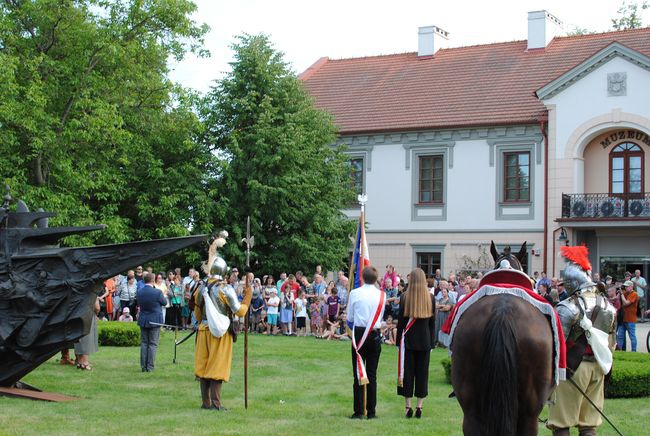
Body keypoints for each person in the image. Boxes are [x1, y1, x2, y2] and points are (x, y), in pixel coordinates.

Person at [547, 246, 616, 436]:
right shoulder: (608, 305)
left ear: (571, 283)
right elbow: (612, 344)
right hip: (598, 368)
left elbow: (556, 344)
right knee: (588, 425)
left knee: (561, 423)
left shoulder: (567, 307)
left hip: (572, 369)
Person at [396, 268, 435, 419]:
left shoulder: (405, 297)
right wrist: (431, 342)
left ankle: (408, 406)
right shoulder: (430, 298)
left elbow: (401, 322)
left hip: (408, 341)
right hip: (425, 341)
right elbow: (432, 324)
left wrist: (398, 342)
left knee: (408, 374)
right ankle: (419, 407)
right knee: (422, 374)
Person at [346, 266, 385, 419]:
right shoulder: (382, 295)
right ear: (376, 279)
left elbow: (349, 318)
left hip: (360, 333)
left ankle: (358, 411)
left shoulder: (354, 293)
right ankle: (371, 412)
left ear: (362, 277)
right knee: (372, 374)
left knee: (358, 374)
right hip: (374, 334)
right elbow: (380, 317)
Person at [137, 273, 166, 372]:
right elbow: (165, 303)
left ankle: (143, 366)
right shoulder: (157, 292)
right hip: (155, 320)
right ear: (153, 281)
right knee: (153, 344)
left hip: (143, 319)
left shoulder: (140, 292)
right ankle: (150, 367)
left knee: (144, 343)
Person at [74, 297, 100, 371]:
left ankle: (79, 362)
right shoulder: (90, 288)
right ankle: (85, 363)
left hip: (76, 314)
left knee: (78, 338)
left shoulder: (75, 288)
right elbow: (97, 307)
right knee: (87, 338)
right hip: (88, 314)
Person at [617, 280, 639, 352]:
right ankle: (619, 351)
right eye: (625, 286)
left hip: (630, 320)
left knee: (632, 337)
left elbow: (626, 303)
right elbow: (617, 299)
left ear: (631, 287)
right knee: (620, 337)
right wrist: (619, 292)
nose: (625, 288)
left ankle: (634, 352)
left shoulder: (634, 294)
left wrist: (622, 294)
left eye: (627, 286)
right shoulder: (625, 293)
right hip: (623, 319)